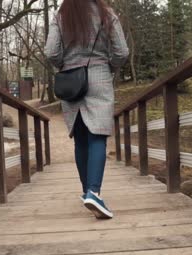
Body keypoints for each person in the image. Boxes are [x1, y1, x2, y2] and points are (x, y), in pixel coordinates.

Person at [44, 0, 129, 219]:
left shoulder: (62, 14)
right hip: (99, 76)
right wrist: (108, 67)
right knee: (97, 136)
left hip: (71, 81)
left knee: (81, 138)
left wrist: (66, 64)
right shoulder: (106, 12)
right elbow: (121, 51)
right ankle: (93, 191)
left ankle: (87, 192)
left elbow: (51, 51)